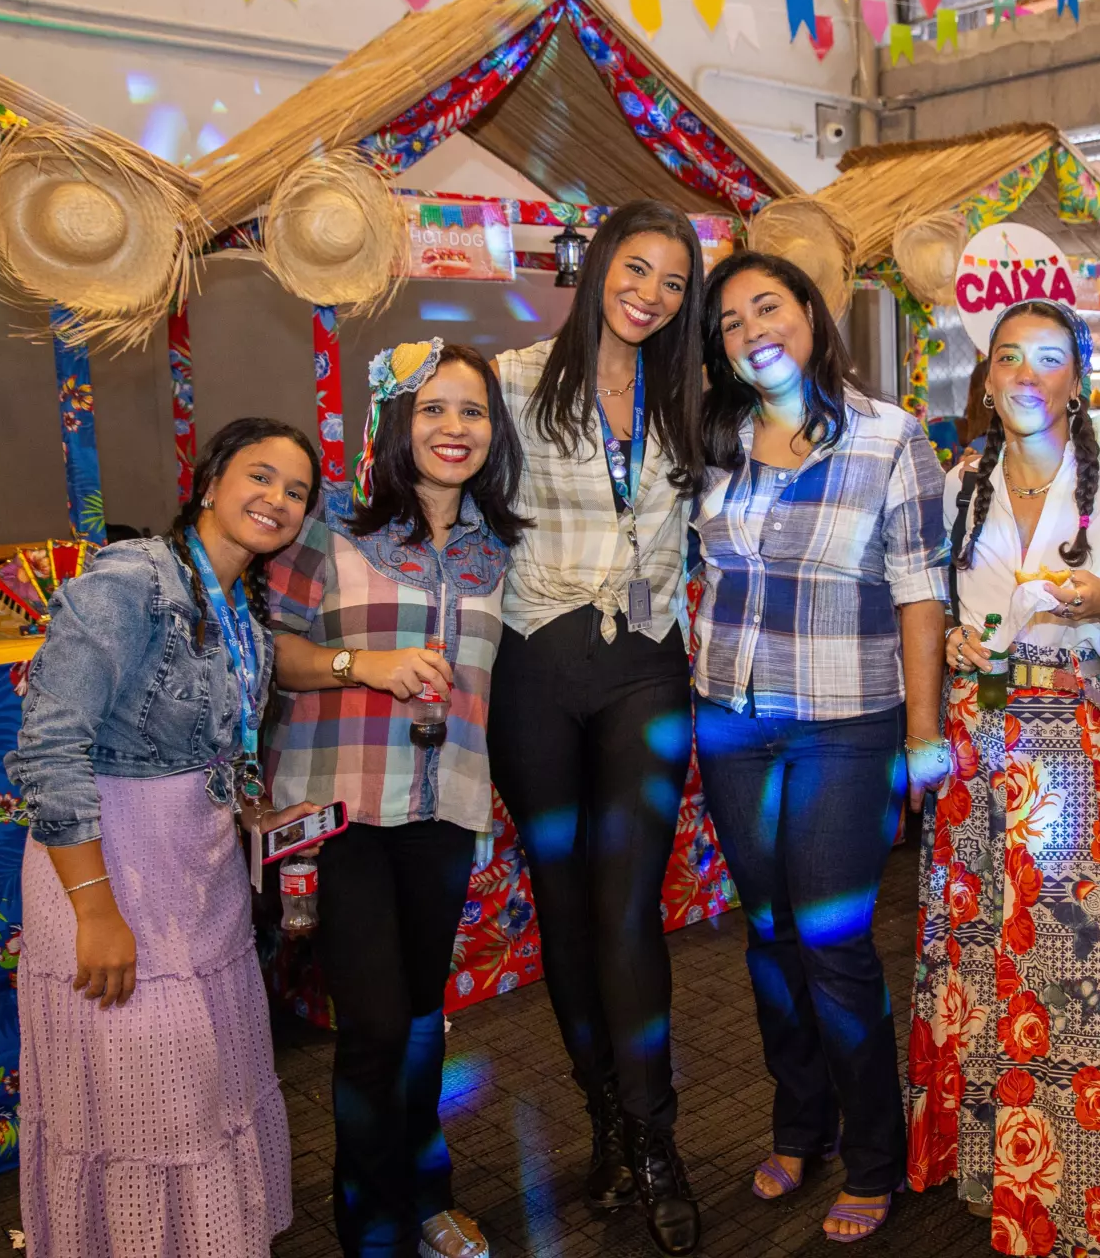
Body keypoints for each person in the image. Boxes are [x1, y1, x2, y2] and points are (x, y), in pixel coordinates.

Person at [907, 299, 1100, 1256]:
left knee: (1073, 965)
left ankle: (1085, 1198)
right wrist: (958, 642)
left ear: (1078, 380)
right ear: (987, 380)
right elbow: (945, 609)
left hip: (1070, 749)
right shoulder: (962, 482)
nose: (1027, 374)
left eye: (1050, 358)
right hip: (976, 738)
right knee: (977, 948)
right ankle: (993, 1171)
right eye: (1009, 358)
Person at [7, 418, 321, 1257]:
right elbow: (49, 747)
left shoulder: (240, 607)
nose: (278, 499)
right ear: (210, 482)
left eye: (296, 492)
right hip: (115, 877)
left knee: (211, 1101)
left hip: (202, 883)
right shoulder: (130, 581)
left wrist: (251, 810)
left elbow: (216, 739)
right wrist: (94, 911)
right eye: (261, 476)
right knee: (147, 1113)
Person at [690, 251, 950, 1244]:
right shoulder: (717, 437)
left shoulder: (890, 437)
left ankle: (875, 1154)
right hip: (731, 720)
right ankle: (801, 1124)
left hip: (846, 724)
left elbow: (921, 593)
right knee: (767, 934)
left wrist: (922, 735)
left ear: (809, 312)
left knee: (832, 940)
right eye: (729, 320)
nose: (752, 328)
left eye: (769, 305)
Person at [264, 340, 524, 1258]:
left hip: (444, 810)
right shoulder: (330, 529)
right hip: (342, 813)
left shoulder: (501, 551)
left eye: (473, 411)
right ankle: (370, 1229)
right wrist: (363, 664)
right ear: (397, 423)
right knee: (374, 1027)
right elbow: (272, 650)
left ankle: (427, 1196)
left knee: (420, 1019)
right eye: (433, 409)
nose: (454, 428)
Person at [487, 201, 707, 1256]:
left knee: (626, 909)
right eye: (637, 268)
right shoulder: (511, 379)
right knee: (565, 908)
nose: (650, 294)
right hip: (535, 661)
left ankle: (657, 1139)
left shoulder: (690, 395)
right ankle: (605, 1118)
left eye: (673, 281)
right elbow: (438, 475)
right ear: (599, 264)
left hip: (646, 668)